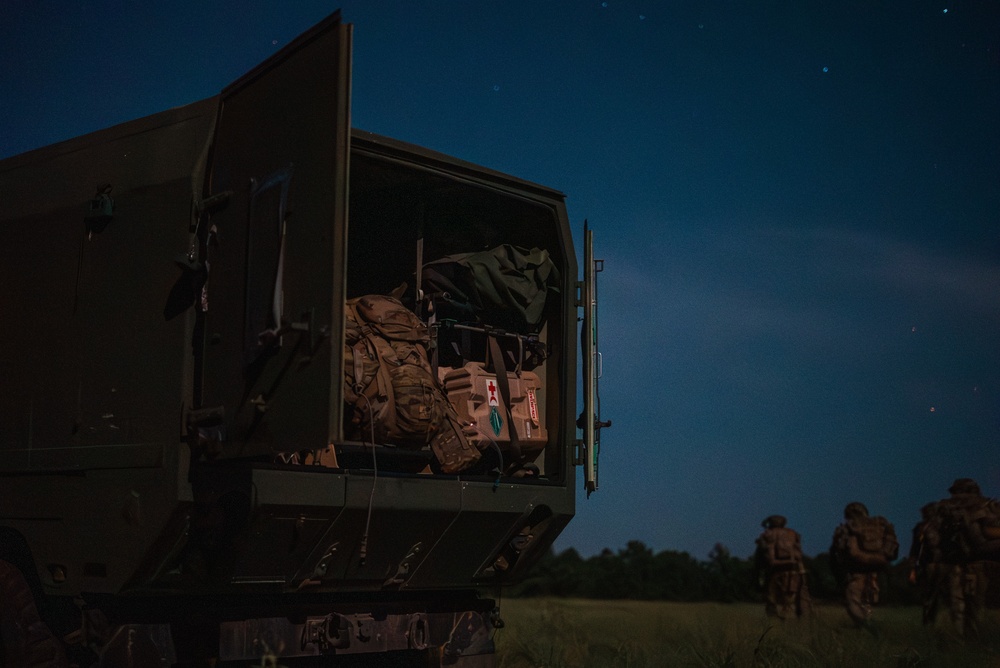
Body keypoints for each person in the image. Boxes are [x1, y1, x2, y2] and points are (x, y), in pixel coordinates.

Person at [934, 478, 1000, 637]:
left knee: (970, 606)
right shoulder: (988, 505)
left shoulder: (952, 507)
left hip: (969, 563)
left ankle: (972, 641)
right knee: (977, 606)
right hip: (982, 561)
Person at [830, 502, 899, 629]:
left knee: (853, 598)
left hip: (858, 568)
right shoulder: (880, 523)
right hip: (880, 565)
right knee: (871, 599)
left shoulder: (850, 526)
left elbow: (841, 549)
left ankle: (867, 626)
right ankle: (873, 626)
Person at [754, 515, 812, 619]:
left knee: (771, 600)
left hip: (774, 573)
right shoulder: (792, 534)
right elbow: (799, 553)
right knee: (793, 600)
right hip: (795, 572)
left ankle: (775, 623)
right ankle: (798, 621)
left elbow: (762, 558)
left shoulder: (768, 535)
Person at [908, 501, 946, 626]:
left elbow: (915, 550)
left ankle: (928, 621)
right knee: (934, 594)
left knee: (929, 594)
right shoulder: (944, 526)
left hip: (930, 564)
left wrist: (912, 570)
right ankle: (930, 621)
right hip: (943, 564)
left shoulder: (922, 527)